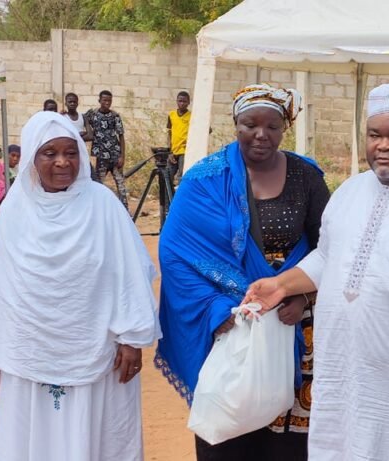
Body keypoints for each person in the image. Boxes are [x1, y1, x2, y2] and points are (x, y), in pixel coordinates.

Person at [244, 83, 389, 460]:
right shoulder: (349, 191)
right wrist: (281, 285)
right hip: (342, 368)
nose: (384, 145)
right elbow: (329, 259)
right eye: (375, 135)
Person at [156, 84, 329, 460]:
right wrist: (217, 311)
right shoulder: (204, 180)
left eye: (272, 126)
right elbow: (175, 254)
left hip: (292, 321)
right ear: (235, 124)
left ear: (285, 128)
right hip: (231, 323)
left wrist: (301, 295)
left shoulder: (306, 176)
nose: (261, 134)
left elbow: (329, 248)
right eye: (250, 124)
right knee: (229, 428)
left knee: (288, 437)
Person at [0, 111, 160, 461]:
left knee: (96, 440)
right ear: (32, 156)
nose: (63, 162)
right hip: (26, 355)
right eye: (50, 153)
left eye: (71, 152)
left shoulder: (103, 205)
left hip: (96, 353)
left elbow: (128, 274)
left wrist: (132, 338)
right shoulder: (15, 210)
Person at [85, 90, 128, 208]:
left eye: (109, 100)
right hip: (102, 157)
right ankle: (99, 208)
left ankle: (125, 211)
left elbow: (121, 136)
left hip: (115, 156)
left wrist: (122, 156)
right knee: (99, 185)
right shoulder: (92, 114)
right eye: (104, 100)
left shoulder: (115, 116)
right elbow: (79, 119)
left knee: (121, 185)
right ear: (99, 101)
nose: (107, 103)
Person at [167, 90, 191, 177]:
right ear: (177, 101)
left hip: (184, 152)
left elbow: (207, 129)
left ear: (188, 102)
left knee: (182, 176)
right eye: (180, 101)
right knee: (168, 176)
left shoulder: (192, 116)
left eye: (184, 101)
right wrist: (169, 151)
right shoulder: (171, 115)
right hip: (173, 151)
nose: (182, 103)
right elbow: (169, 133)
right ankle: (169, 191)